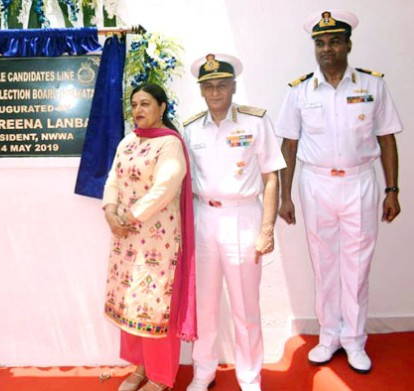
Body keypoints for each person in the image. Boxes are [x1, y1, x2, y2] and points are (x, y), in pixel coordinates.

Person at [276, 10, 403, 374]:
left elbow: (387, 138)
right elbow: (289, 146)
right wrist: (286, 195)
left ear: (348, 44)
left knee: (357, 265)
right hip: (316, 185)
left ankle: (354, 340)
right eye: (320, 42)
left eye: (334, 41)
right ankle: (329, 336)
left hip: (360, 182)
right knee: (324, 262)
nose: (326, 48)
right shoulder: (299, 90)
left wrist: (391, 189)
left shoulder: (372, 85)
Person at [183, 54, 285, 391]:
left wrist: (267, 229)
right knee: (205, 305)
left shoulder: (255, 122)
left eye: (221, 85)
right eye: (208, 86)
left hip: (243, 218)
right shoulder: (190, 127)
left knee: (245, 307)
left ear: (233, 87)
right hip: (204, 219)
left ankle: (250, 378)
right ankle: (203, 372)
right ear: (201, 91)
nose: (215, 92)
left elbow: (272, 177)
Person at [102, 83, 196, 391]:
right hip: (126, 239)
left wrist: (128, 216)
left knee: (155, 306)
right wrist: (109, 212)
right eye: (134, 105)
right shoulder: (128, 141)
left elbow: (165, 186)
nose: (138, 110)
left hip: (158, 239)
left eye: (145, 104)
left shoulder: (169, 144)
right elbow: (113, 178)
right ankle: (142, 367)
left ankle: (161, 377)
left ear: (162, 107)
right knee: (132, 303)